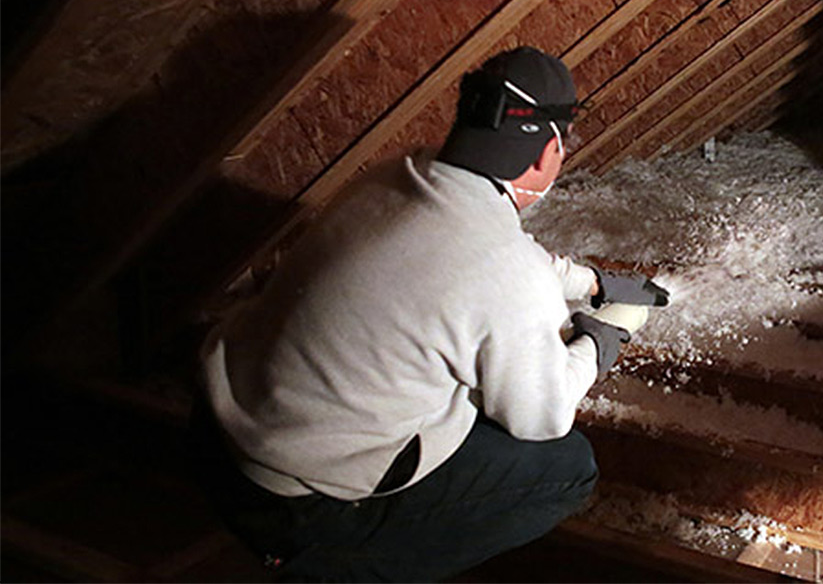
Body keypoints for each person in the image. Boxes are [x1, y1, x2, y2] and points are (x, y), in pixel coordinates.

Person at [189, 46, 669, 582]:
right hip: (294, 502)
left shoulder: (397, 174)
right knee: (567, 468)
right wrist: (601, 339)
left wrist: (592, 283)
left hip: (215, 433)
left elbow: (480, 250)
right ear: (547, 152)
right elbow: (543, 416)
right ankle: (336, 569)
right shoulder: (506, 271)